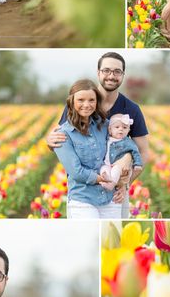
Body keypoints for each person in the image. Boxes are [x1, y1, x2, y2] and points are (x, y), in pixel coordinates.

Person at [47, 52, 150, 218]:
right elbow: (61, 140)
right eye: (106, 70)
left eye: (117, 71)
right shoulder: (78, 103)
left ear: (123, 74)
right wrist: (49, 141)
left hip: (115, 192)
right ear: (98, 72)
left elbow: (143, 151)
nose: (111, 75)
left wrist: (124, 183)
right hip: (84, 194)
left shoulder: (132, 109)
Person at [53, 79, 124, 219]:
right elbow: (76, 171)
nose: (86, 105)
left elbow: (123, 148)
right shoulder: (63, 133)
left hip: (110, 197)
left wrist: (122, 181)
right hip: (83, 199)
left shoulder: (106, 126)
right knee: (89, 238)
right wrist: (103, 180)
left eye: (91, 100)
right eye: (81, 100)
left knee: (110, 238)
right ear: (72, 102)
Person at [98, 113, 144, 198]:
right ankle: (106, 179)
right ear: (110, 129)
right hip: (106, 164)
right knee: (103, 169)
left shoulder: (128, 142)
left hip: (119, 165)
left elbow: (135, 152)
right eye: (117, 127)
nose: (121, 130)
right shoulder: (107, 139)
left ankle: (112, 184)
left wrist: (138, 164)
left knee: (116, 170)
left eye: (124, 128)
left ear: (128, 130)